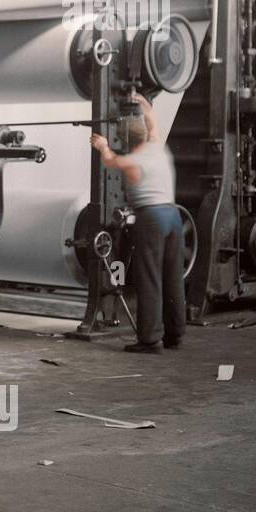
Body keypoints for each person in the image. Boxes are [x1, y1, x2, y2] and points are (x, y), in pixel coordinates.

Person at [89, 93, 186, 354]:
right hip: (173, 216)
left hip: (151, 219)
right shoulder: (157, 146)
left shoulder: (133, 161)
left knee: (150, 278)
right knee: (172, 276)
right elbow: (153, 125)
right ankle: (175, 334)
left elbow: (111, 161)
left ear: (126, 140)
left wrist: (102, 146)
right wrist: (144, 105)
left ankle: (150, 340)